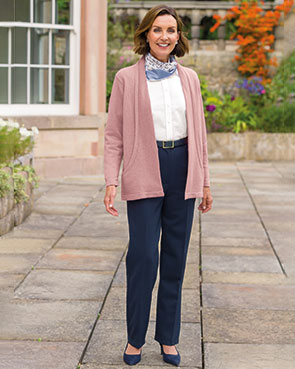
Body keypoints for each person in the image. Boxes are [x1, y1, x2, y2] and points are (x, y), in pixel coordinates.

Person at [104, 4, 213, 366]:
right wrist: (110, 180)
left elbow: (199, 133)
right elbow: (114, 135)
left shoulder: (191, 79)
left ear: (178, 36)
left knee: (175, 259)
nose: (164, 36)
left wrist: (205, 181)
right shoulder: (125, 79)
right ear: (146, 35)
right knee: (143, 257)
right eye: (157, 30)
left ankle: (168, 338)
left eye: (171, 30)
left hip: (183, 169)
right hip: (144, 168)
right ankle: (135, 338)